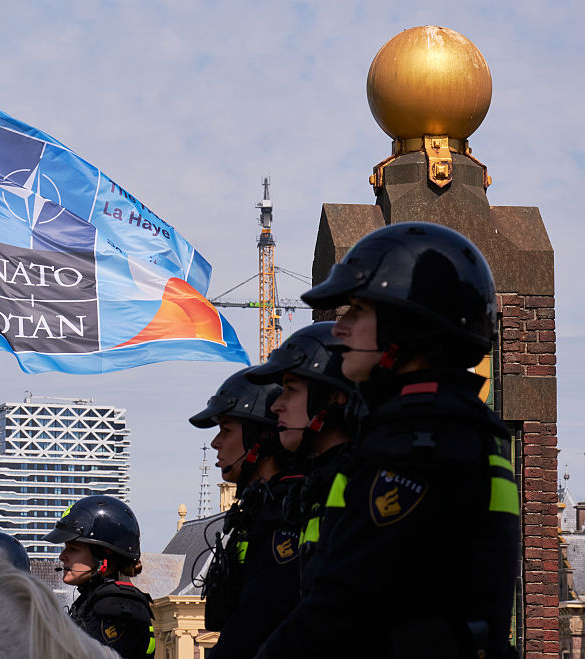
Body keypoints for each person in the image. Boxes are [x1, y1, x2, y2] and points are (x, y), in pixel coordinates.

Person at [256, 222, 520, 659]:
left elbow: (346, 600)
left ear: (405, 326)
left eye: (357, 311)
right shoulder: (446, 423)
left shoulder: (422, 438)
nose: (340, 331)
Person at [188, 368, 305, 658]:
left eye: (226, 430)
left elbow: (259, 617)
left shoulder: (286, 512)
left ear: (261, 438)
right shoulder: (256, 513)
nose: (215, 443)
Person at [244, 321, 358, 595]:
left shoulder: (360, 479)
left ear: (332, 397)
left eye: (291, 390)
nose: (276, 406)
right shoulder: (319, 486)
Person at [43, 495, 155, 658]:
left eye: (73, 549)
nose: (62, 556)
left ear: (104, 555)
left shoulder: (115, 607)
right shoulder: (94, 600)